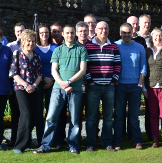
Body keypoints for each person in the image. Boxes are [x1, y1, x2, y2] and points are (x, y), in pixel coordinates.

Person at [34, 24, 88, 154]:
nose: (70, 35)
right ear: (63, 34)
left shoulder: (81, 50)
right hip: (58, 88)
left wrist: (69, 82)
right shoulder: (57, 50)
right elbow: (53, 70)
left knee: (74, 119)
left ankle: (73, 145)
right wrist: (62, 83)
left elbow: (83, 70)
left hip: (75, 89)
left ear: (75, 34)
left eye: (72, 33)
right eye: (67, 33)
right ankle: (45, 145)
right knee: (51, 117)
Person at [83, 21, 121, 152]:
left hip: (109, 87)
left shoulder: (114, 47)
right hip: (93, 86)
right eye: (100, 29)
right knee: (91, 117)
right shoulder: (88, 46)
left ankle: (107, 143)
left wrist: (113, 81)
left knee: (108, 117)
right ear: (95, 30)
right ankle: (90, 144)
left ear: (108, 31)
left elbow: (117, 65)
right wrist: (90, 81)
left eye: (106, 29)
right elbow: (85, 66)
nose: (103, 31)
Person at [112, 23, 147, 150]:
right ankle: (117, 141)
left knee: (134, 116)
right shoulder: (115, 46)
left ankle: (137, 140)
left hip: (135, 87)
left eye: (128, 32)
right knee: (119, 115)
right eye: (124, 32)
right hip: (120, 85)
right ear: (120, 32)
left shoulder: (140, 47)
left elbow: (143, 67)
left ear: (133, 32)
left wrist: (140, 84)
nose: (126, 35)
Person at [9, 29, 42, 153]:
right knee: (25, 115)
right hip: (21, 89)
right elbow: (14, 73)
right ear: (23, 41)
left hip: (34, 88)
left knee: (33, 115)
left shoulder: (36, 56)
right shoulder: (17, 54)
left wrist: (33, 85)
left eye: (33, 41)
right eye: (28, 41)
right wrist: (26, 85)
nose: (31, 43)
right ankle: (19, 145)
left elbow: (40, 74)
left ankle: (27, 143)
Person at [36, 24, 59, 146]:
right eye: (41, 33)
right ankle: (40, 139)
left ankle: (53, 139)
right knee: (39, 112)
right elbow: (33, 65)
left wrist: (52, 80)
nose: (44, 34)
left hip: (53, 82)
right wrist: (44, 79)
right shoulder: (34, 48)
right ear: (38, 34)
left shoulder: (55, 47)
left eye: (46, 32)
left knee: (52, 113)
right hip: (39, 83)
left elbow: (59, 65)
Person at [7, 22, 25, 146]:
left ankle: (24, 139)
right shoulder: (10, 47)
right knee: (15, 114)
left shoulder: (31, 44)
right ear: (15, 33)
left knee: (25, 114)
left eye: (21, 31)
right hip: (14, 86)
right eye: (17, 31)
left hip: (28, 86)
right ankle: (14, 139)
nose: (19, 33)